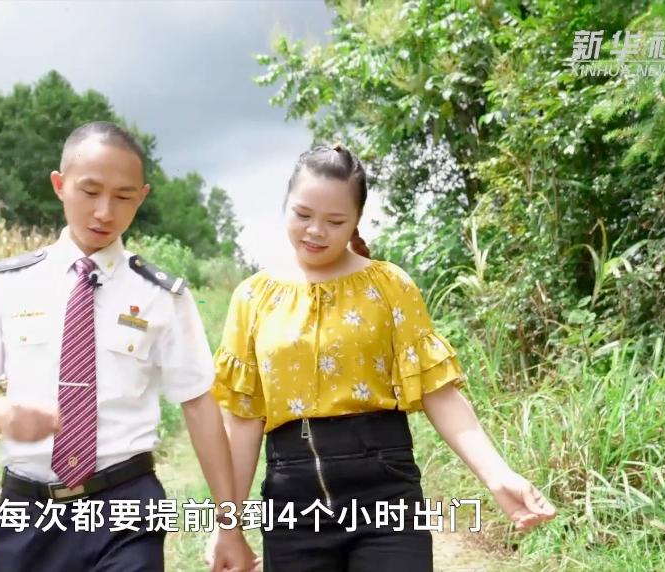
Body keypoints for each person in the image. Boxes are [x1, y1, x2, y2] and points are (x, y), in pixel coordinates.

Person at [210, 145, 557, 571]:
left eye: (335, 221)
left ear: (357, 219)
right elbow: (243, 420)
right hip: (293, 506)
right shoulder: (253, 297)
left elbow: (439, 393)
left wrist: (498, 476)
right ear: (286, 204)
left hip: (386, 497)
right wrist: (227, 524)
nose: (315, 231)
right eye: (303, 214)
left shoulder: (389, 286)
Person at [0, 121, 255, 572]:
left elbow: (199, 405)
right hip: (29, 514)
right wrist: (1, 414)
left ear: (142, 197)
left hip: (125, 506)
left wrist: (229, 525)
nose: (105, 212)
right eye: (90, 191)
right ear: (59, 185)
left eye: (123, 197)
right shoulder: (7, 284)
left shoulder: (162, 296)